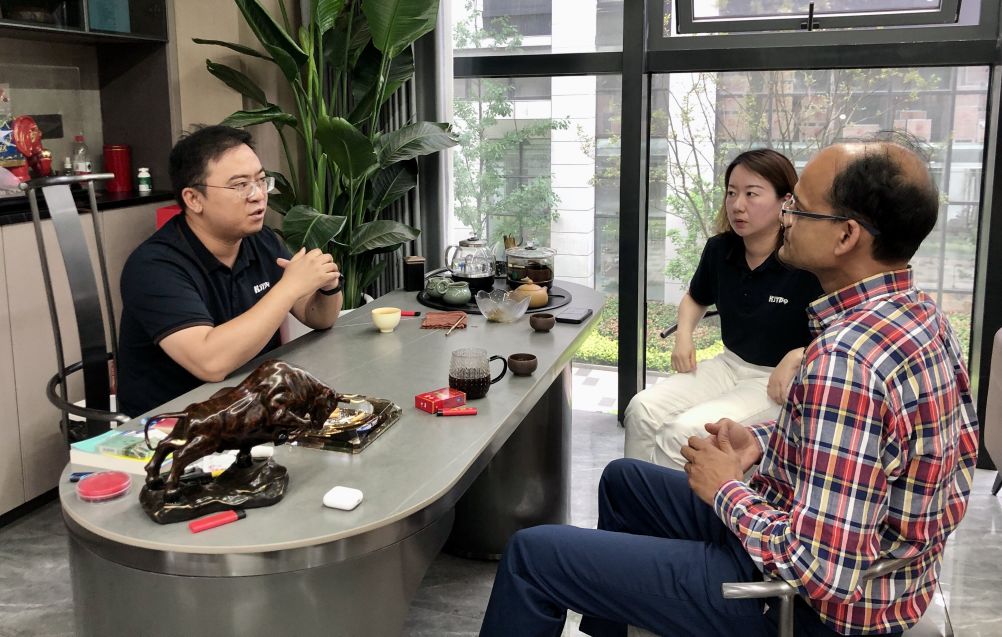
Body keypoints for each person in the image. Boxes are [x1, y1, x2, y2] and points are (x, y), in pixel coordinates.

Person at [479, 134, 979, 637]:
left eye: (799, 208)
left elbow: (819, 571)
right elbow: (888, 452)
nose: (786, 218)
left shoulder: (846, 359)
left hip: (800, 606)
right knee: (623, 480)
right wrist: (764, 442)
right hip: (839, 554)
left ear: (846, 236)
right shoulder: (922, 316)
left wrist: (726, 489)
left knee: (531, 556)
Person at [117, 125, 342, 417]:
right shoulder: (153, 267)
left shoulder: (261, 242)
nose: (258, 195)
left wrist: (328, 286)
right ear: (193, 199)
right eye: (240, 185)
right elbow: (210, 363)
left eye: (261, 181)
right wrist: (289, 287)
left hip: (252, 409)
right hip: (176, 423)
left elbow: (318, 317)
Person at [624, 149, 822, 469]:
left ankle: (669, 502)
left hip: (773, 383)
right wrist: (684, 336)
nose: (737, 205)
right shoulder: (721, 249)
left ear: (786, 201)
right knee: (641, 409)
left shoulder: (805, 261)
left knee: (683, 434)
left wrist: (799, 355)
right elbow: (695, 298)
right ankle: (631, 493)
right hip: (728, 364)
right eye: (731, 193)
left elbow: (844, 330)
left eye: (751, 194)